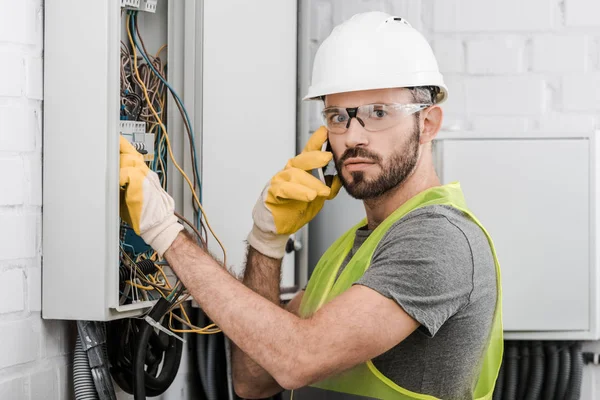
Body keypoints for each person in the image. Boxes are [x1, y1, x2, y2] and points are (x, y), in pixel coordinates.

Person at [118, 11, 503, 400]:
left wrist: (165, 232)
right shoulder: (351, 251)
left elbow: (297, 359)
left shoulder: (438, 239)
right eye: (338, 116)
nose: (353, 136)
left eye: (379, 113)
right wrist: (267, 242)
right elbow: (254, 378)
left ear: (429, 123)